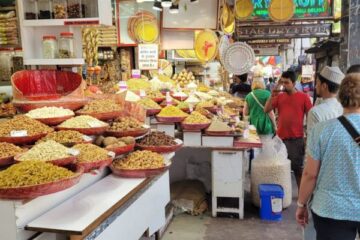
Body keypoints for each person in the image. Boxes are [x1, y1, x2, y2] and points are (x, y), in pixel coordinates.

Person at [296, 73, 360, 240]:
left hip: (331, 209)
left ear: (340, 96)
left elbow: (310, 174)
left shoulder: (322, 130)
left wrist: (301, 204)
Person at [304, 66, 345, 240]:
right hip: (345, 176)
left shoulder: (317, 112)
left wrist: (301, 203)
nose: (316, 86)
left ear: (325, 86)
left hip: (323, 177)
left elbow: (311, 154)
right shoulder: (345, 108)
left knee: (315, 227)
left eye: (318, 83)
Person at [264, 70, 312, 188]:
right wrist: (273, 93)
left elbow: (311, 117)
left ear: (294, 83)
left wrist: (308, 137)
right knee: (278, 168)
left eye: (287, 83)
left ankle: (301, 197)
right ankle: (280, 192)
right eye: (283, 82)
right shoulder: (279, 96)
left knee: (297, 169)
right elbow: (266, 109)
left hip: (296, 139)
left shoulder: (304, 97)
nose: (284, 85)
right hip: (280, 139)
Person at [307, 66, 345, 135]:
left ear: (324, 86)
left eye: (317, 82)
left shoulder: (315, 112)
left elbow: (312, 143)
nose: (315, 86)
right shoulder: (344, 109)